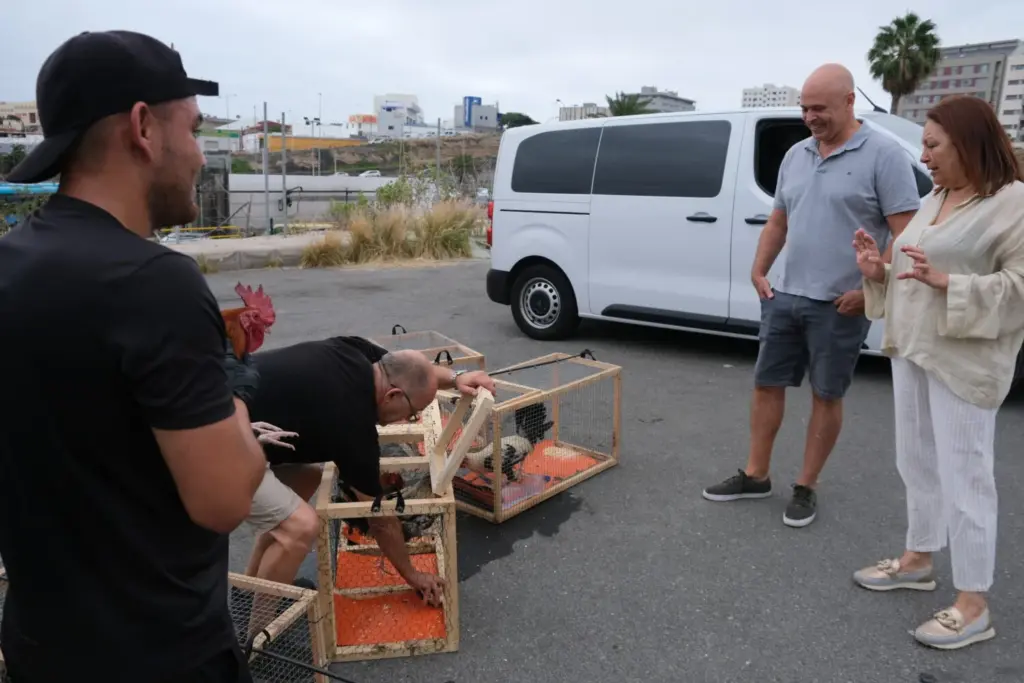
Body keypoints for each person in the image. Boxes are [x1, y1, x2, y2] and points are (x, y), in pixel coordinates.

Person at [0, 31, 270, 682]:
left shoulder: (11, 263)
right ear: (144, 127)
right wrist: (235, 394)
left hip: (39, 647)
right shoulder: (154, 282)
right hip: (161, 656)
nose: (200, 155)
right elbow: (226, 498)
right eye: (194, 129)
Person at [701, 63, 922, 527]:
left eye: (819, 108)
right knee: (766, 385)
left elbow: (905, 233)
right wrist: (759, 270)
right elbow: (779, 220)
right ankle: (756, 474)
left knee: (826, 394)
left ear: (849, 101)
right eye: (804, 108)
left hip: (841, 303)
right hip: (785, 295)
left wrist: (869, 289)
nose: (809, 117)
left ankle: (806, 485)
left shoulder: (884, 155)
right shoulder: (796, 154)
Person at [851, 95, 1024, 650]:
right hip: (914, 347)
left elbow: (1019, 286)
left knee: (966, 476)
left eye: (932, 145)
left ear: (969, 143)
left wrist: (952, 283)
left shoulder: (1013, 203)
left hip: (964, 360)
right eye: (923, 145)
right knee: (917, 460)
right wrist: (878, 270)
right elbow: (914, 267)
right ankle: (919, 558)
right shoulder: (936, 197)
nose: (923, 157)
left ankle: (974, 604)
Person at [240, 336, 494, 610]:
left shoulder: (360, 354)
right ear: (393, 396)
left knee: (305, 479)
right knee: (300, 527)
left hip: (228, 402)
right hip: (220, 449)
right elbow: (380, 519)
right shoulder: (353, 423)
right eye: (412, 413)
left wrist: (457, 377)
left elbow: (415, 371)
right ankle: (260, 630)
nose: (406, 419)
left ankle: (249, 589)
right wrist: (413, 575)